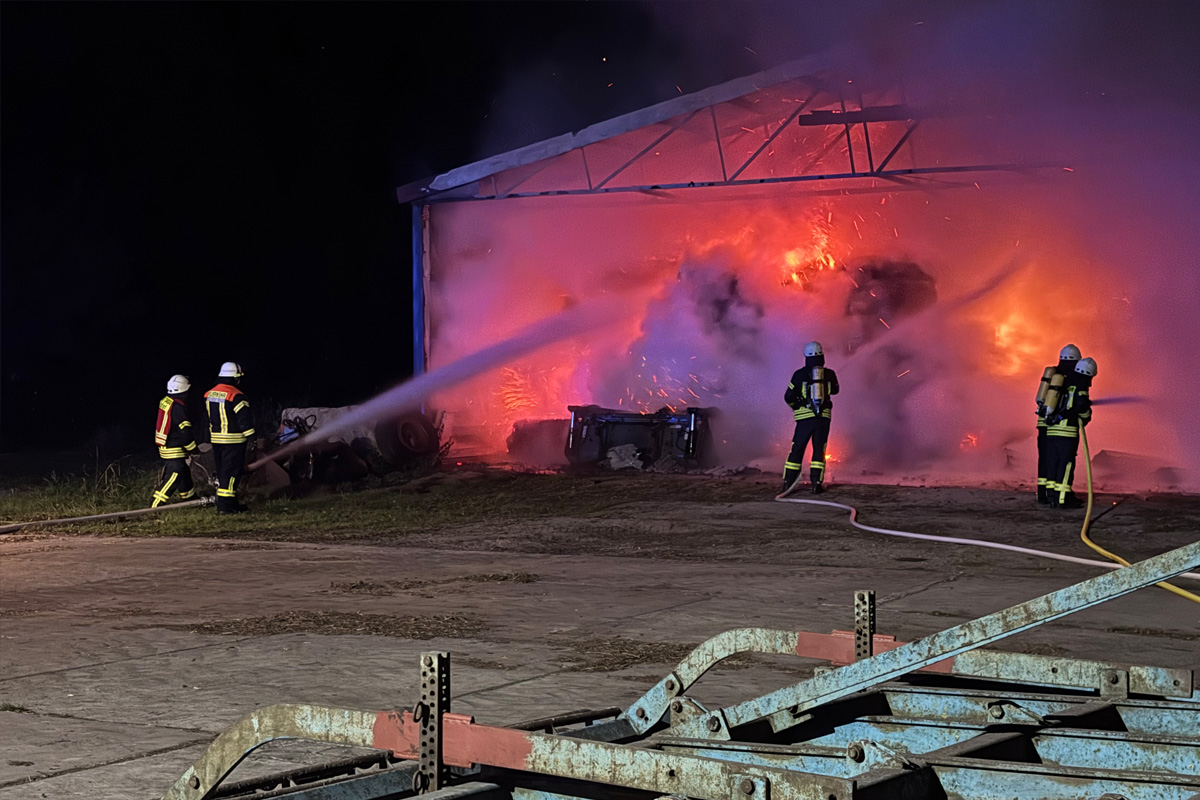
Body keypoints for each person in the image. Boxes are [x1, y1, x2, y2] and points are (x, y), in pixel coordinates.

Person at [783, 341, 840, 494]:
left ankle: (788, 483)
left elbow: (788, 397)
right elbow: (835, 390)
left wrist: (797, 406)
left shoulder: (798, 375)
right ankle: (816, 484)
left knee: (797, 448)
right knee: (819, 450)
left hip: (804, 419)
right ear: (822, 356)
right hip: (823, 418)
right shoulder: (829, 374)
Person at [1043, 356, 1096, 509]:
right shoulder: (1080, 386)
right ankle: (1063, 499)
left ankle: (1052, 497)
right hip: (1067, 433)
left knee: (1053, 464)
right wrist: (1087, 415)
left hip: (1052, 430)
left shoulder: (1063, 382)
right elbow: (1081, 406)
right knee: (1066, 465)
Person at [203, 362, 255, 514]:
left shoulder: (209, 394)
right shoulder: (237, 396)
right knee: (231, 473)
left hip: (216, 440)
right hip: (234, 441)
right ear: (235, 377)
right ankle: (225, 507)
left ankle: (231, 503)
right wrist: (252, 437)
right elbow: (244, 420)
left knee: (223, 472)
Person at [1035, 344, 1081, 504]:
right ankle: (1061, 497)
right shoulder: (1072, 379)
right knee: (1062, 462)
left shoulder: (1053, 375)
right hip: (1060, 428)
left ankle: (1043, 495)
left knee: (1046, 461)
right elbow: (1074, 405)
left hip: (1043, 425)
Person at [152, 375, 198, 507]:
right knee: (175, 473)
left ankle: (189, 497)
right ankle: (156, 504)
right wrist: (192, 448)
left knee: (183, 470)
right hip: (173, 446)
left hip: (165, 443)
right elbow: (184, 432)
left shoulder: (167, 401)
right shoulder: (178, 408)